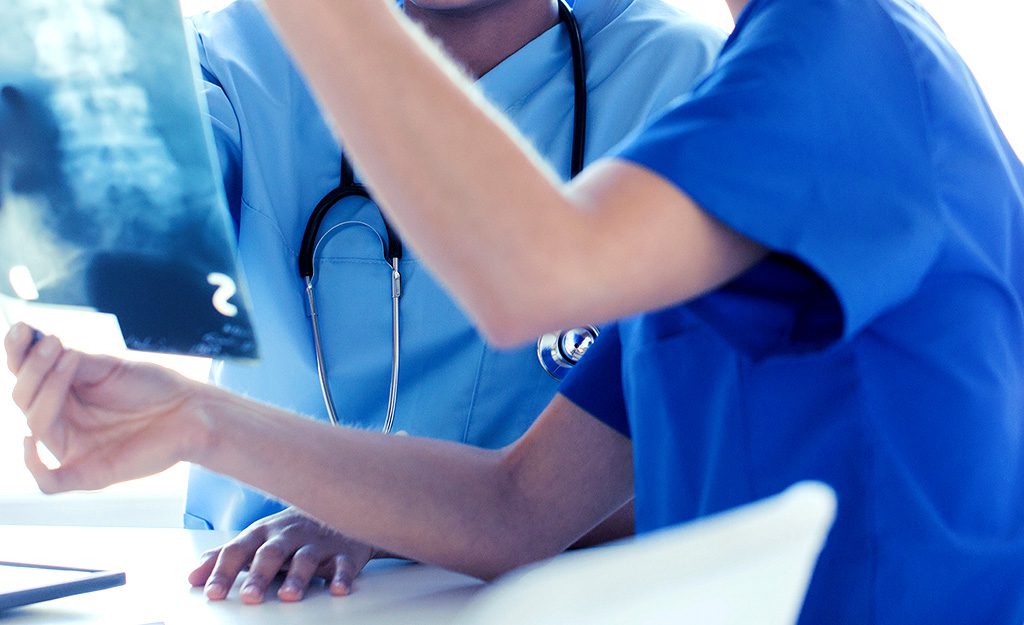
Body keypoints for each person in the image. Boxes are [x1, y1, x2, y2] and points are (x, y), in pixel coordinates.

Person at [7, 0, 1024, 623]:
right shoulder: (735, 124)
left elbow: (529, 273)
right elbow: (521, 506)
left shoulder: (842, 59)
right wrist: (194, 420)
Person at [182, 0, 724, 604]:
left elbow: (703, 461)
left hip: (572, 594)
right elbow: (136, 250)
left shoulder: (684, 73)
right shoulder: (245, 52)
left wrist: (389, 517)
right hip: (275, 594)